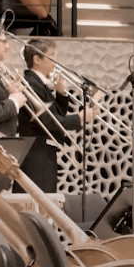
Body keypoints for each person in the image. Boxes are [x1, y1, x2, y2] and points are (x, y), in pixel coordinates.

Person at [17, 38, 95, 192]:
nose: (56, 61)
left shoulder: (39, 83)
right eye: (51, 56)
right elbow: (48, 121)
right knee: (38, 204)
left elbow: (55, 115)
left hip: (44, 153)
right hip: (36, 155)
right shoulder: (30, 83)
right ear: (37, 59)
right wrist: (79, 118)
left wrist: (61, 95)